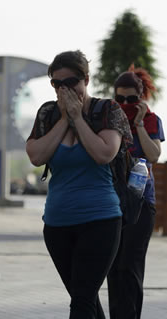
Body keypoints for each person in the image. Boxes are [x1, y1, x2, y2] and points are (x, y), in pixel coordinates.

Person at [26, 50, 133, 319]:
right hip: (57, 223)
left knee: (82, 302)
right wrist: (64, 119)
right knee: (83, 297)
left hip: (100, 220)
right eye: (56, 84)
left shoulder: (108, 111)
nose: (64, 90)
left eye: (71, 82)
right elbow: (37, 156)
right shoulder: (48, 114)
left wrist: (78, 119)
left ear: (86, 79)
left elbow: (103, 153)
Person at [107, 66, 164, 319]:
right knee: (112, 267)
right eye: (120, 99)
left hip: (142, 202)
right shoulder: (108, 119)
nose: (125, 104)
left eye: (131, 99)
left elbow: (153, 155)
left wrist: (139, 123)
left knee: (130, 266)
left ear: (141, 98)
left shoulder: (152, 120)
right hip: (111, 201)